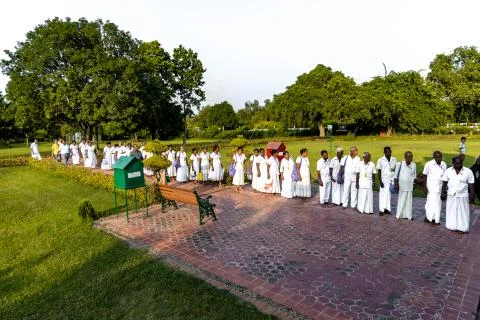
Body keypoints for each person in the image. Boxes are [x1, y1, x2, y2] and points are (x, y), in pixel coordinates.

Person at [441, 157, 475, 234]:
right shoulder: (448, 171)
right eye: (456, 163)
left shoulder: (468, 171)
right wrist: (443, 193)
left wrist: (472, 195)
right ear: (453, 163)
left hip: (463, 194)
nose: (459, 164)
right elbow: (444, 183)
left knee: (463, 211)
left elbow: (471, 184)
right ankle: (451, 226)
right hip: (451, 194)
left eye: (460, 163)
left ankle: (462, 228)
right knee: (451, 210)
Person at [423, 151, 447, 224]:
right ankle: (428, 217)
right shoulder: (429, 164)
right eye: (436, 157)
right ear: (433, 157)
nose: (438, 158)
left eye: (440, 157)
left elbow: (445, 177)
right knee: (430, 203)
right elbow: (425, 175)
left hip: (440, 187)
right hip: (431, 187)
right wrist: (424, 187)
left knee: (438, 204)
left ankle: (436, 219)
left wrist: (444, 189)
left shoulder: (444, 164)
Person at [394, 151, 418, 220]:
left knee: (409, 201)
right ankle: (398, 215)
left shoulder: (414, 165)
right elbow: (395, 176)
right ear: (405, 157)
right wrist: (396, 184)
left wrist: (416, 183)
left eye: (411, 156)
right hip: (402, 186)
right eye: (409, 156)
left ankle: (408, 216)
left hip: (410, 186)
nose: (410, 158)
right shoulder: (400, 164)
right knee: (401, 200)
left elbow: (414, 176)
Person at [377, 146, 397, 216]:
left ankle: (387, 209)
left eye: (390, 151)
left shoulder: (394, 159)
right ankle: (381, 210)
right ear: (384, 152)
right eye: (387, 152)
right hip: (384, 180)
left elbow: (395, 169)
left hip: (391, 180)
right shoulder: (380, 160)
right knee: (382, 195)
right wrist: (380, 181)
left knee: (388, 195)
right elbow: (379, 171)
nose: (389, 153)